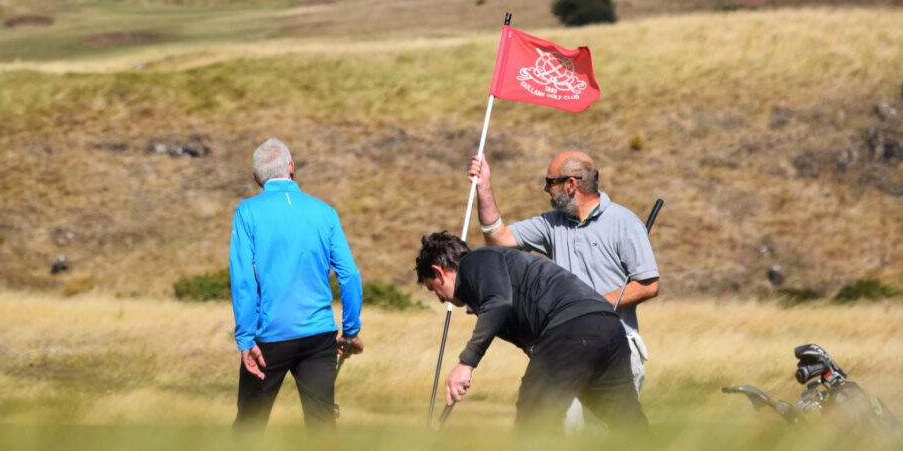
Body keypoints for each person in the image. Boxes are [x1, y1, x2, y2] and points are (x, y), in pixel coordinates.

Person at [469, 152, 658, 397]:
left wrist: (590, 307)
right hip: (565, 349)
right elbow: (499, 239)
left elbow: (648, 285)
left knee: (616, 434)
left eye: (550, 182)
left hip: (617, 346)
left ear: (571, 184)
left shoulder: (625, 223)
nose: (545, 189)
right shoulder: (552, 223)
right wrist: (484, 187)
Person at [416, 232, 645, 429]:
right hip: (608, 326)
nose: (439, 298)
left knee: (533, 421)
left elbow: (498, 302)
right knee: (626, 423)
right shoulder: (487, 284)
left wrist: (466, 364)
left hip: (573, 328)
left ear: (439, 272)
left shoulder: (477, 260)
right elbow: (527, 336)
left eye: (432, 288)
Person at [230, 138, 364, 428]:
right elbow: (350, 275)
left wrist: (245, 339)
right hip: (319, 337)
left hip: (269, 337)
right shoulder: (325, 212)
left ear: (255, 178)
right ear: (292, 168)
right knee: (321, 428)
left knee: (249, 427)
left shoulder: (247, 211)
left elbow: (243, 281)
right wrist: (350, 331)